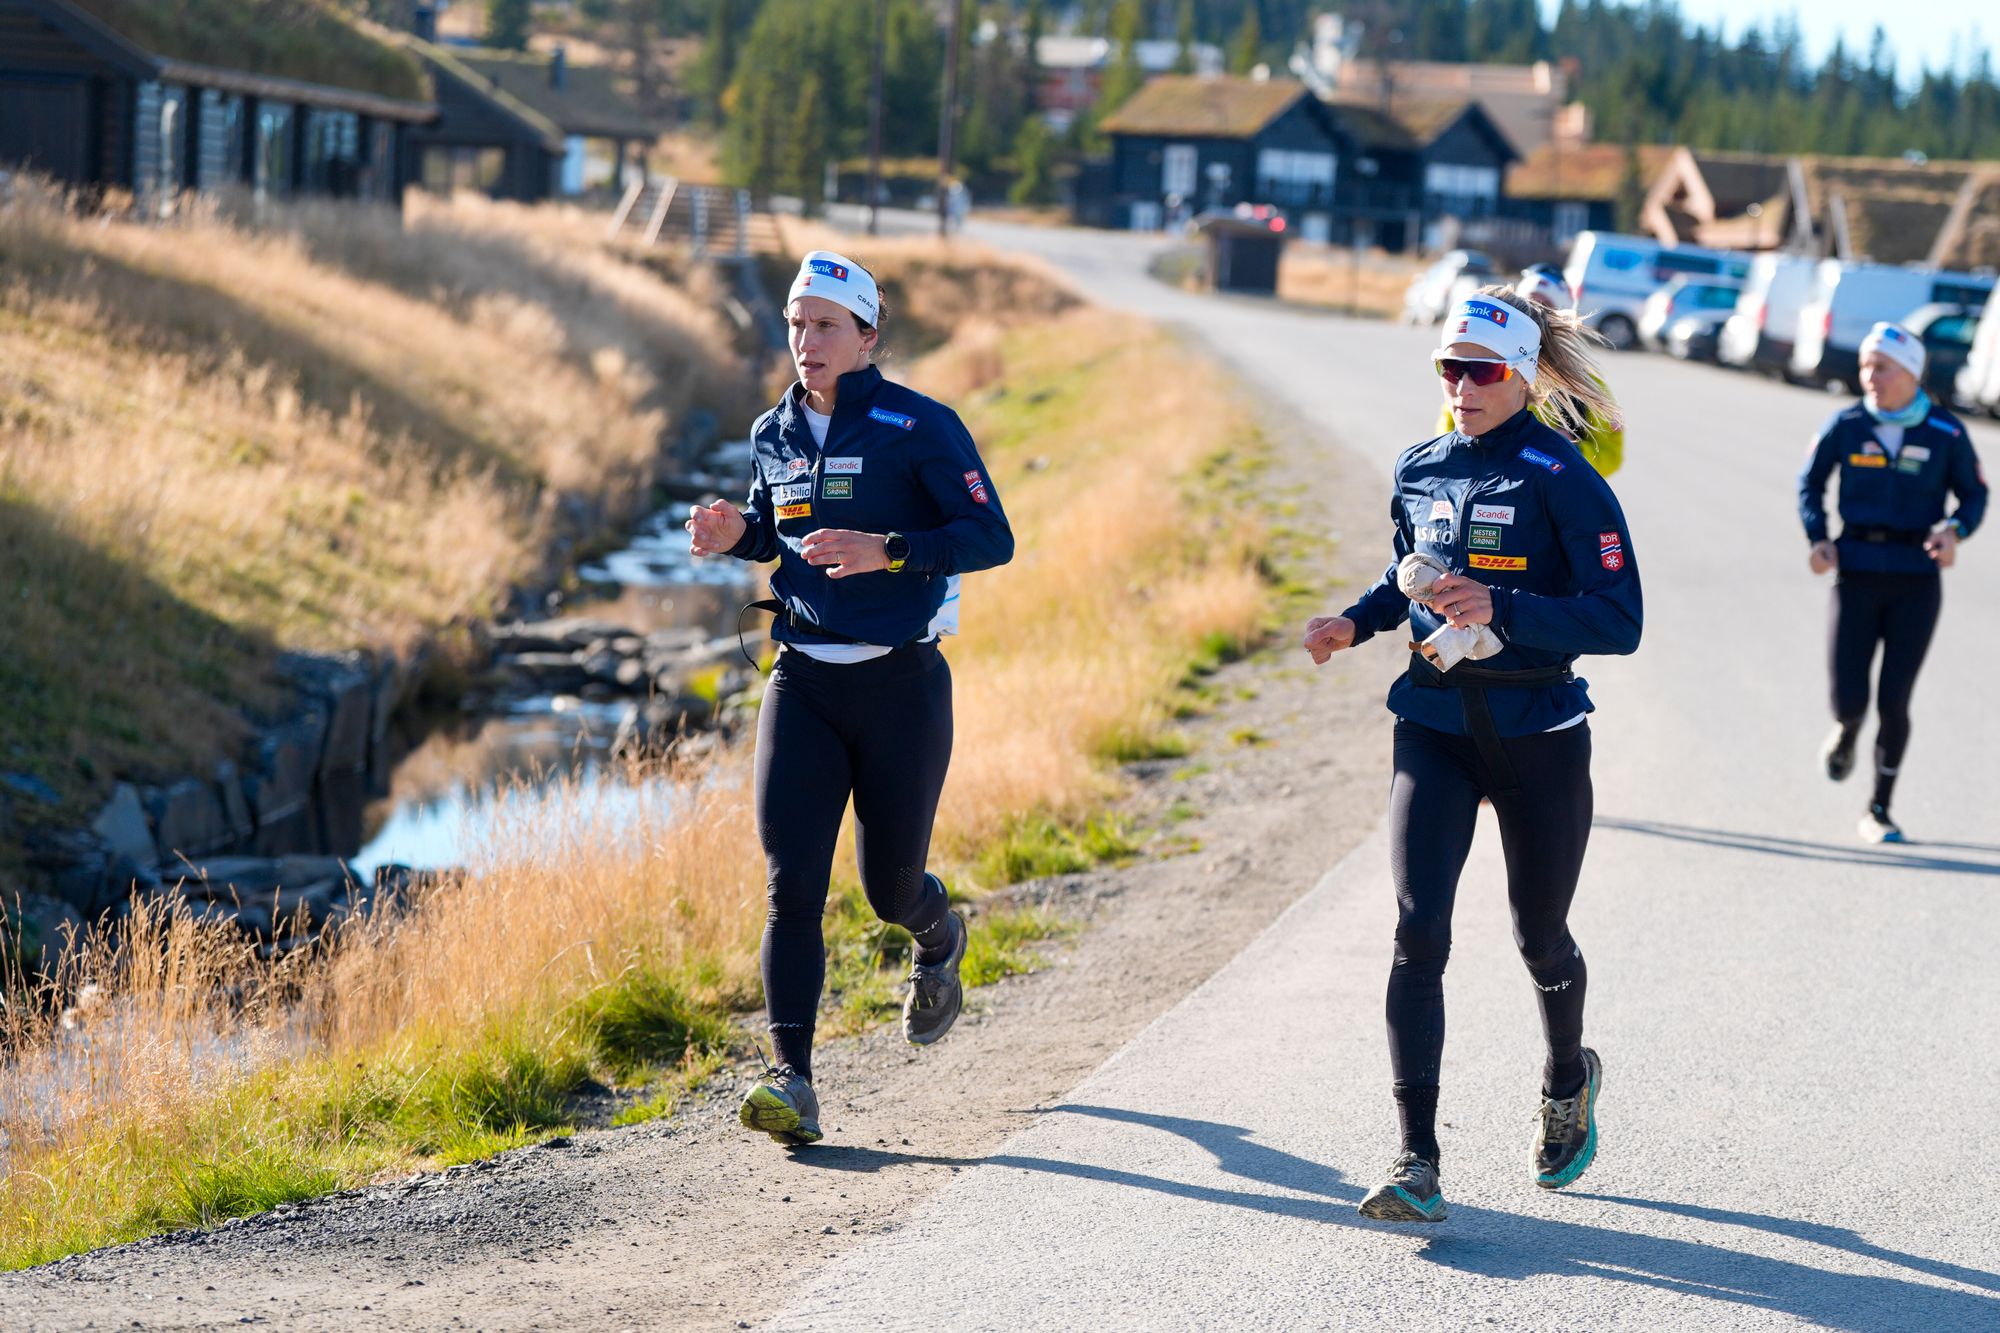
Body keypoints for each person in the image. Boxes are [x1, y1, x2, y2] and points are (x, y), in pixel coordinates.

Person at [1304, 288, 1642, 1223]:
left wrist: (1509, 610)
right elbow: (1404, 571)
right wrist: (1355, 621)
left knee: (1540, 936)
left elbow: (1622, 620)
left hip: (1539, 734)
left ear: (1526, 376)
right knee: (1419, 932)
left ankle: (1568, 1077)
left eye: (1483, 369)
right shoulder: (1420, 465)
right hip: (1436, 728)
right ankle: (1417, 1161)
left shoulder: (1566, 478)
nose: (1462, 385)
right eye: (1449, 367)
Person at [687, 250, 1015, 1146]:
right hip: (802, 682)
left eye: (826, 325)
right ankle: (791, 1080)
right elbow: (781, 535)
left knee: (888, 887)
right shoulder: (773, 431)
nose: (806, 341)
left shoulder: (921, 426)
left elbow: (991, 537)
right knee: (790, 885)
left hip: (902, 684)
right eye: (796, 324)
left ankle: (937, 934)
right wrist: (738, 533)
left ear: (869, 335)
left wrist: (891, 551)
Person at [1799, 321, 1985, 844]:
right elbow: (1810, 483)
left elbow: (1974, 496)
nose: (1869, 376)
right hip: (1854, 573)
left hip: (1916, 581)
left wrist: (1954, 531)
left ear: (1910, 373)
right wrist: (1818, 538)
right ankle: (1847, 728)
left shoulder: (1946, 432)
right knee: (1849, 698)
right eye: (1865, 365)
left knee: (1895, 700)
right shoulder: (1846, 423)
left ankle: (1879, 809)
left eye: (1880, 367)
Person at [1436, 265, 1625, 478]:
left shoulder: (1582, 385)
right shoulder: (1480, 370)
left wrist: (1570, 452)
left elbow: (1611, 454)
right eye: (1528, 306)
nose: (1535, 316)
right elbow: (1449, 432)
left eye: (1545, 307)